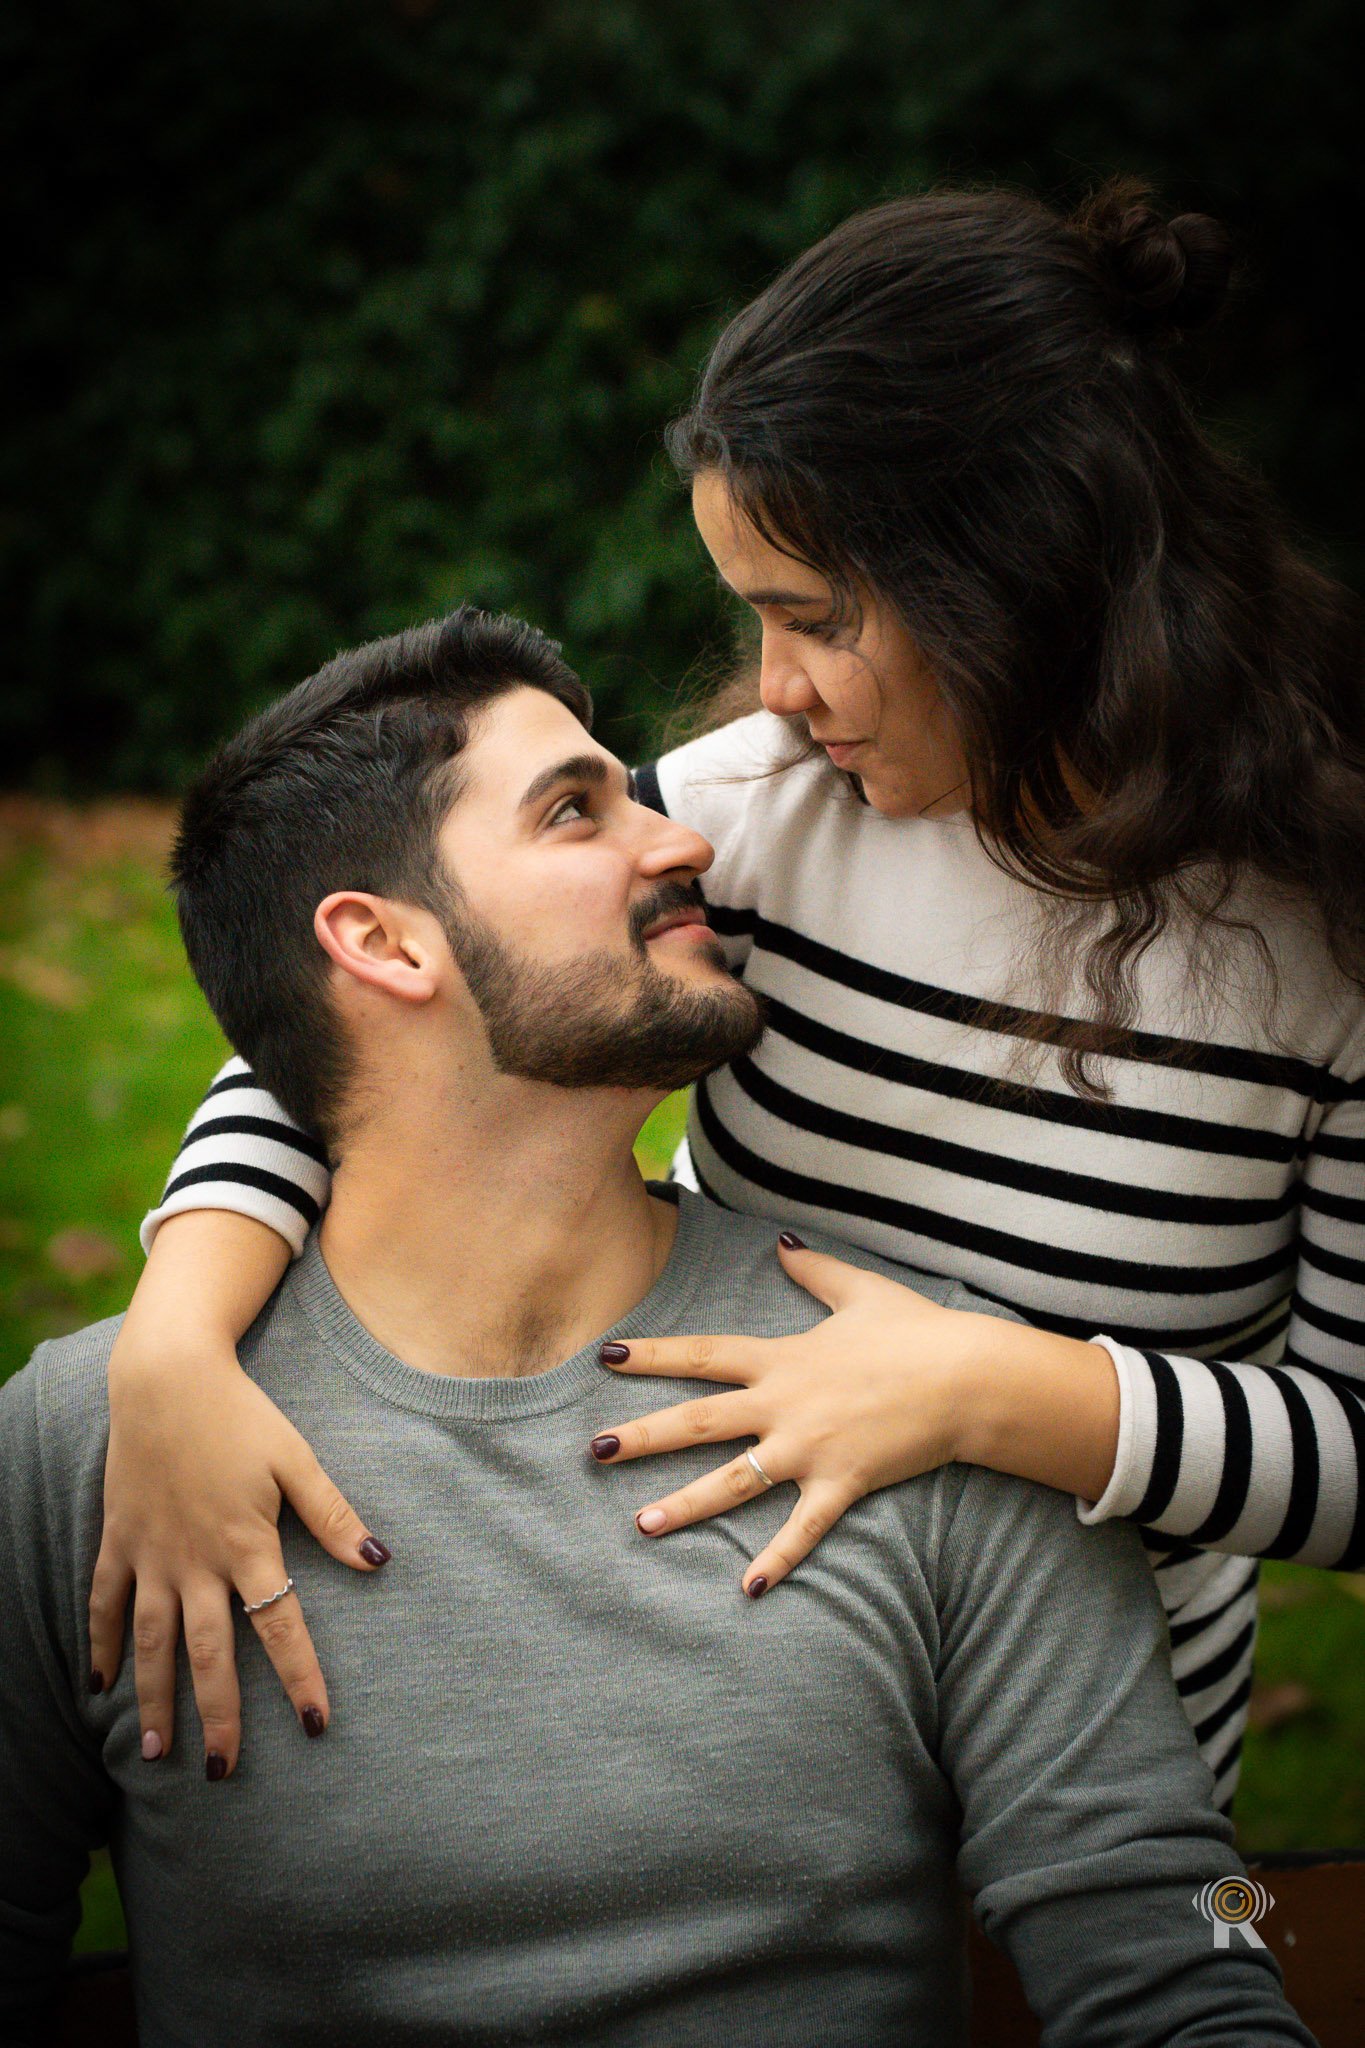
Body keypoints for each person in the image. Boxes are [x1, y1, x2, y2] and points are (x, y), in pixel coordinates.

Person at [91, 179, 1365, 1812]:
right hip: (724, 1720)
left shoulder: (1331, 932)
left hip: (1102, 1780)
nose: (772, 688)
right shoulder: (754, 818)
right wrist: (173, 1346)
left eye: (812, 619)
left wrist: (982, 1391)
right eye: (752, 619)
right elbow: (372, 1020)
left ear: (1025, 569)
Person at [0, 611, 1315, 2047]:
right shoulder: (99, 1448)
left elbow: (1184, 1935)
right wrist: (165, 1344)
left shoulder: (924, 1394)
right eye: (576, 811)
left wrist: (1229, 1941)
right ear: (379, 942)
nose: (684, 843)